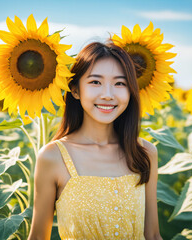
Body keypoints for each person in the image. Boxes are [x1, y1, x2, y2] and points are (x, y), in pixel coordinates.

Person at [28, 42, 162, 240]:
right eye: (95, 82)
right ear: (75, 90)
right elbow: (39, 237)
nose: (108, 95)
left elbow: (152, 235)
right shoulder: (53, 156)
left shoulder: (144, 153)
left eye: (120, 83)